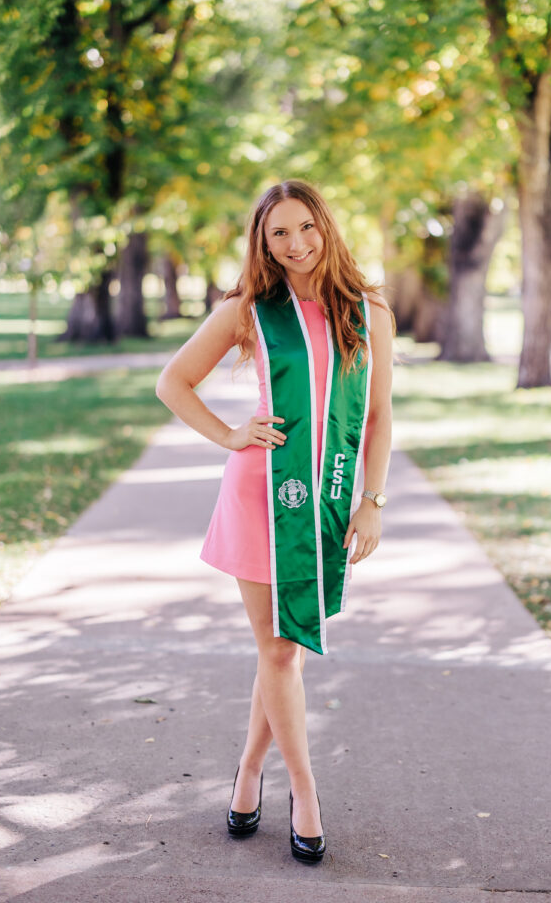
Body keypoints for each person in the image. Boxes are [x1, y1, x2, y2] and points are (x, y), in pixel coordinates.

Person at [155, 178, 394, 863]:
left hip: (329, 495)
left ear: (326, 223)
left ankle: (248, 772)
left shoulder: (368, 308)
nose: (295, 244)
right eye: (278, 234)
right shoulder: (250, 310)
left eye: (304, 227)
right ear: (262, 242)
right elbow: (172, 381)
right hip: (262, 495)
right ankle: (305, 790)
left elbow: (378, 417)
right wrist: (230, 434)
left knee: (280, 645)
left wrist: (370, 502)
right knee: (282, 650)